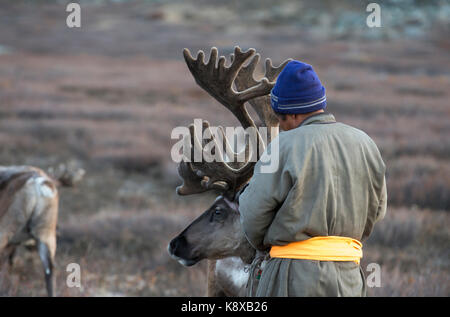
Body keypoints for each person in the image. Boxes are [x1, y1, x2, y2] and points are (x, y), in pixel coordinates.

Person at [239, 60, 387, 296]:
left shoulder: (282, 147)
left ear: (294, 113)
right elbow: (377, 210)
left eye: (283, 120)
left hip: (291, 278)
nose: (284, 128)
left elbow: (252, 215)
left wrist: (271, 242)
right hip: (349, 277)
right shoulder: (365, 143)